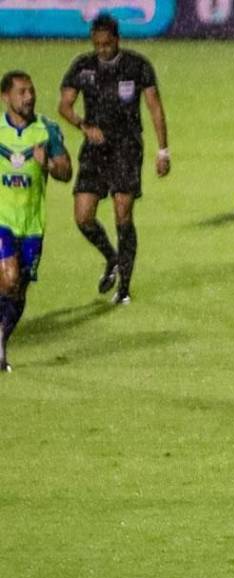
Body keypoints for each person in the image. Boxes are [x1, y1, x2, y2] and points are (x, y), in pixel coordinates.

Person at [58, 13, 169, 305]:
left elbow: (155, 107)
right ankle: (112, 257)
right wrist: (84, 126)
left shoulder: (137, 65)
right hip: (95, 150)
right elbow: (65, 106)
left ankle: (124, 289)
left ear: (117, 39)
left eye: (107, 44)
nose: (103, 50)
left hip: (127, 148)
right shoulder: (83, 66)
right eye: (98, 45)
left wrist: (163, 150)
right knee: (83, 217)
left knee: (123, 214)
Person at [0, 71, 72, 372]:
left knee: (19, 289)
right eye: (21, 92)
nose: (29, 97)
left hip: (32, 224)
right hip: (2, 219)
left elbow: (66, 173)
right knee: (10, 278)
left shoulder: (48, 130)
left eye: (31, 91)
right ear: (6, 97)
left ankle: (2, 340)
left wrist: (51, 165)